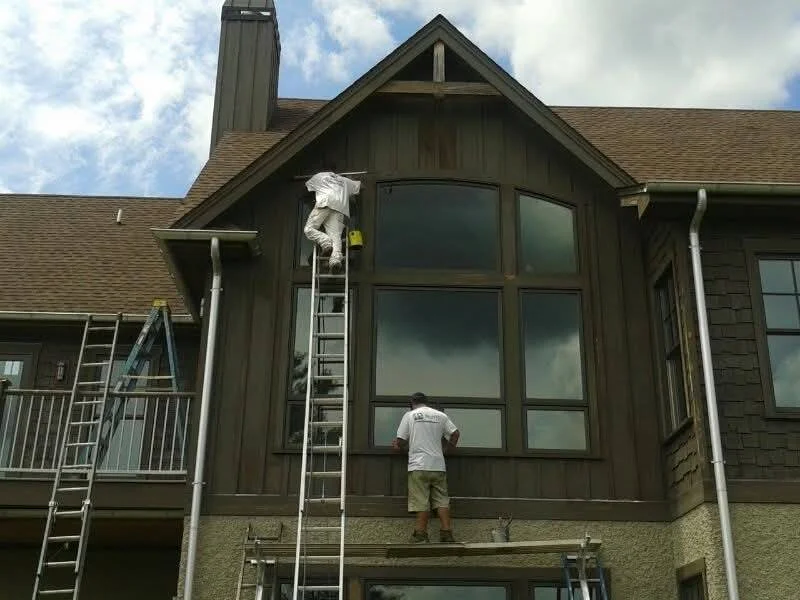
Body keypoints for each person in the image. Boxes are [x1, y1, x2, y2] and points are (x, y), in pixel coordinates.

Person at [392, 392, 460, 543]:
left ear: (412, 403)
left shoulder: (410, 415)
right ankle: (446, 533)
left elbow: (401, 440)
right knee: (442, 500)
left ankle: (421, 534)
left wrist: (397, 446)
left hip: (418, 465)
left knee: (421, 500)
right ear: (426, 402)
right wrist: (448, 449)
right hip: (438, 465)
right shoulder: (440, 416)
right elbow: (455, 433)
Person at [302, 171, 361, 271]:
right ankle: (335, 260)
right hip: (340, 208)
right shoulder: (345, 181)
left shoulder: (319, 176)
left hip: (325, 202)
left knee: (309, 229)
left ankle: (326, 242)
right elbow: (359, 186)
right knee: (336, 236)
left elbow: (308, 187)